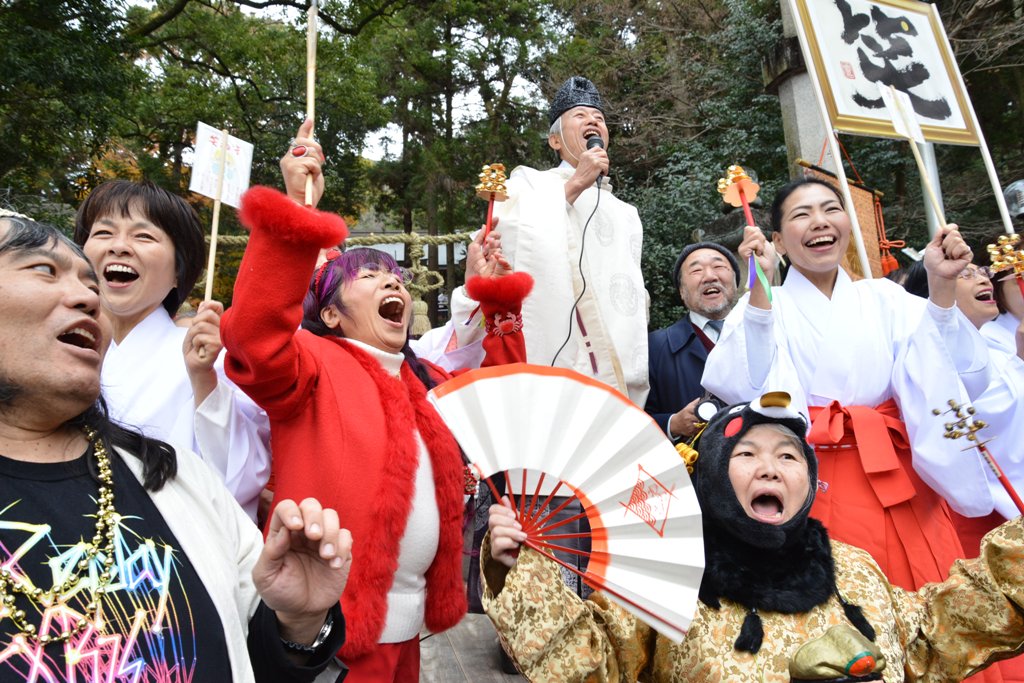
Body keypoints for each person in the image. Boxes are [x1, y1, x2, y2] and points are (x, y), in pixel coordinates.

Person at [220, 120, 532, 682]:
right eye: (368, 274)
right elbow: (252, 340)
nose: (393, 283)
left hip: (410, 634)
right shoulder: (311, 365)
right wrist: (296, 215)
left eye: (394, 275)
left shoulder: (428, 379)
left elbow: (508, 400)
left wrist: (493, 296)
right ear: (332, 313)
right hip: (335, 637)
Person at [0, 213, 351, 681]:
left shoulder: (176, 475)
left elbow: (260, 656)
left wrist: (301, 620)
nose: (88, 296)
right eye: (45, 269)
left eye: (144, 235)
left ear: (178, 274)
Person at [482, 392, 1024, 681]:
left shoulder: (852, 567)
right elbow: (592, 667)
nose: (771, 469)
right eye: (746, 455)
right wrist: (518, 570)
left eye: (789, 456)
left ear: (809, 482)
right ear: (711, 476)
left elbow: (933, 638)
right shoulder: (663, 578)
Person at [703, 177, 995, 592]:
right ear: (778, 241)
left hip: (896, 469)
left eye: (830, 209)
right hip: (810, 475)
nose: (820, 222)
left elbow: (955, 369)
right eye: (802, 215)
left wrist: (943, 286)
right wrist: (761, 287)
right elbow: (743, 383)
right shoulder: (768, 303)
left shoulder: (885, 298)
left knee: (925, 595)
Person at [73, 180, 270, 521]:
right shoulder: (56, 353)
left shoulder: (208, 361)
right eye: (104, 232)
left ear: (179, 273)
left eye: (143, 236)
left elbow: (236, 480)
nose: (119, 246)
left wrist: (203, 379)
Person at [475, 75, 649, 406]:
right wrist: (575, 184)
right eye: (580, 116)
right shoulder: (529, 185)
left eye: (598, 118)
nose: (593, 122)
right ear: (555, 141)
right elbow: (508, 242)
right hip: (564, 356)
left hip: (622, 368)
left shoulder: (626, 212)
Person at [645, 242, 740, 440]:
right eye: (696, 270)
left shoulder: (764, 337)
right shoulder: (654, 347)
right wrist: (674, 423)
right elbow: (636, 418)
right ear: (681, 291)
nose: (710, 276)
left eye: (719, 267)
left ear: (735, 282)